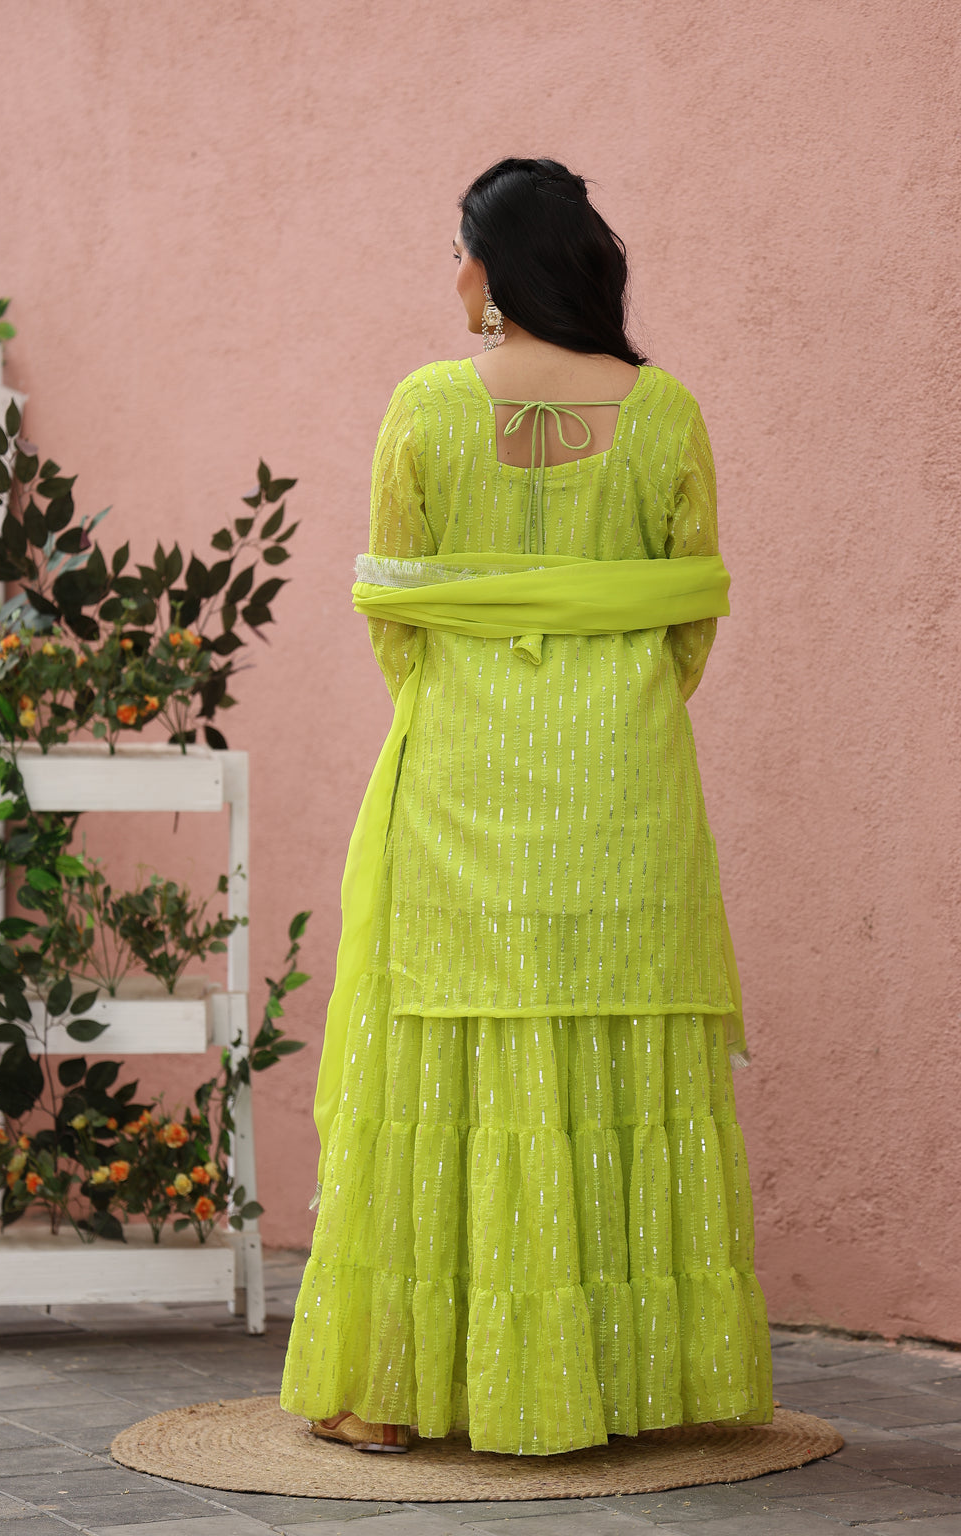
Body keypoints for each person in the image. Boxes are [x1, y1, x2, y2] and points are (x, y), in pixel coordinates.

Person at [280, 157, 773, 1457]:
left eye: (460, 249)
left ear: (500, 266)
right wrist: (612, 712)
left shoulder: (428, 409)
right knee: (613, 1048)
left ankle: (394, 1391)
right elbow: (688, 621)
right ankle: (617, 1389)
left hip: (459, 782)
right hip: (625, 786)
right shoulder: (664, 412)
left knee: (448, 1057)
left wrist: (471, 698)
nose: (453, 276)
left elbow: (393, 612)